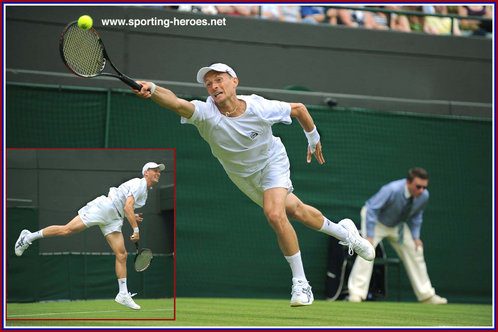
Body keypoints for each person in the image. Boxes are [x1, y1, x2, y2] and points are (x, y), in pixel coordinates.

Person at [131, 63, 375, 307]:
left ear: (234, 82)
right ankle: (347, 234)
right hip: (243, 178)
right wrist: (152, 88)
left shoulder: (259, 106)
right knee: (296, 211)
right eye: (208, 83)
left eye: (219, 79)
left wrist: (314, 138)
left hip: (272, 163)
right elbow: (175, 102)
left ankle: (301, 284)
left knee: (274, 213)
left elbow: (299, 109)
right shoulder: (205, 113)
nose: (214, 86)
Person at [14, 162, 165, 310]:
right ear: (146, 172)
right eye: (155, 170)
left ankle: (123, 294)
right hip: (104, 208)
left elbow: (126, 207)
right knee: (67, 230)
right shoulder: (140, 184)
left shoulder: (144, 192)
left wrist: (132, 215)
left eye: (159, 171)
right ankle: (28, 237)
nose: (158, 173)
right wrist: (135, 229)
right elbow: (127, 206)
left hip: (114, 218)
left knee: (122, 254)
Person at [347, 167, 448, 304]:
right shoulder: (392, 189)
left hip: (397, 225)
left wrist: (415, 237)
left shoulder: (423, 196)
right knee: (367, 251)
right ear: (408, 182)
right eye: (418, 186)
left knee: (415, 250)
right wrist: (369, 237)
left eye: (424, 187)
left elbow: (416, 217)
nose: (421, 191)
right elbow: (371, 210)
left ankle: (426, 296)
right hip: (376, 222)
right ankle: (356, 294)